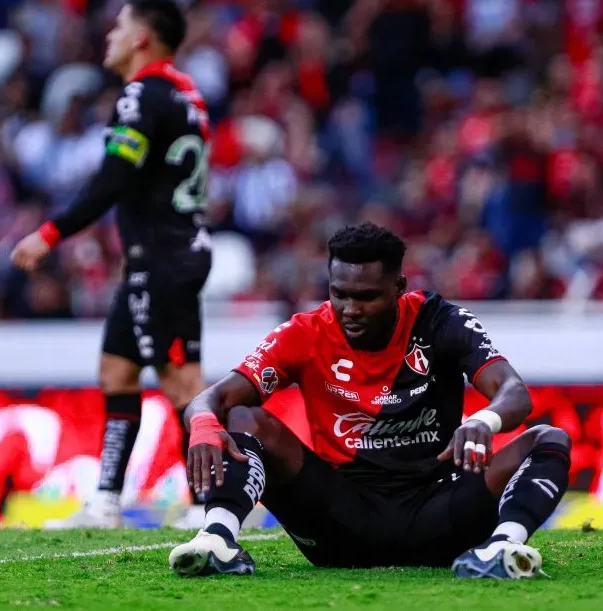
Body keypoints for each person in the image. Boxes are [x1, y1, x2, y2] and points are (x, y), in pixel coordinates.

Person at [169, 222, 571, 579]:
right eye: (339, 293)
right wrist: (204, 424)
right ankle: (217, 539)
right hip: (340, 523)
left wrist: (485, 420)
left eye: (366, 297)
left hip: (440, 516)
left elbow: (515, 393)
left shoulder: (441, 322)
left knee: (548, 438)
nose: (350, 309)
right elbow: (212, 398)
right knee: (243, 418)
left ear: (399, 287)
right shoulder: (304, 333)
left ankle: (503, 548)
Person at [11, 0, 212, 527]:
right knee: (117, 370)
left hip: (162, 259)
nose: (109, 36)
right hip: (168, 255)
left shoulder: (141, 93)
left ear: (142, 37)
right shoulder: (187, 93)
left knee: (183, 385)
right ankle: (105, 501)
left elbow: (114, 177)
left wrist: (49, 233)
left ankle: (210, 503)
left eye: (119, 26)